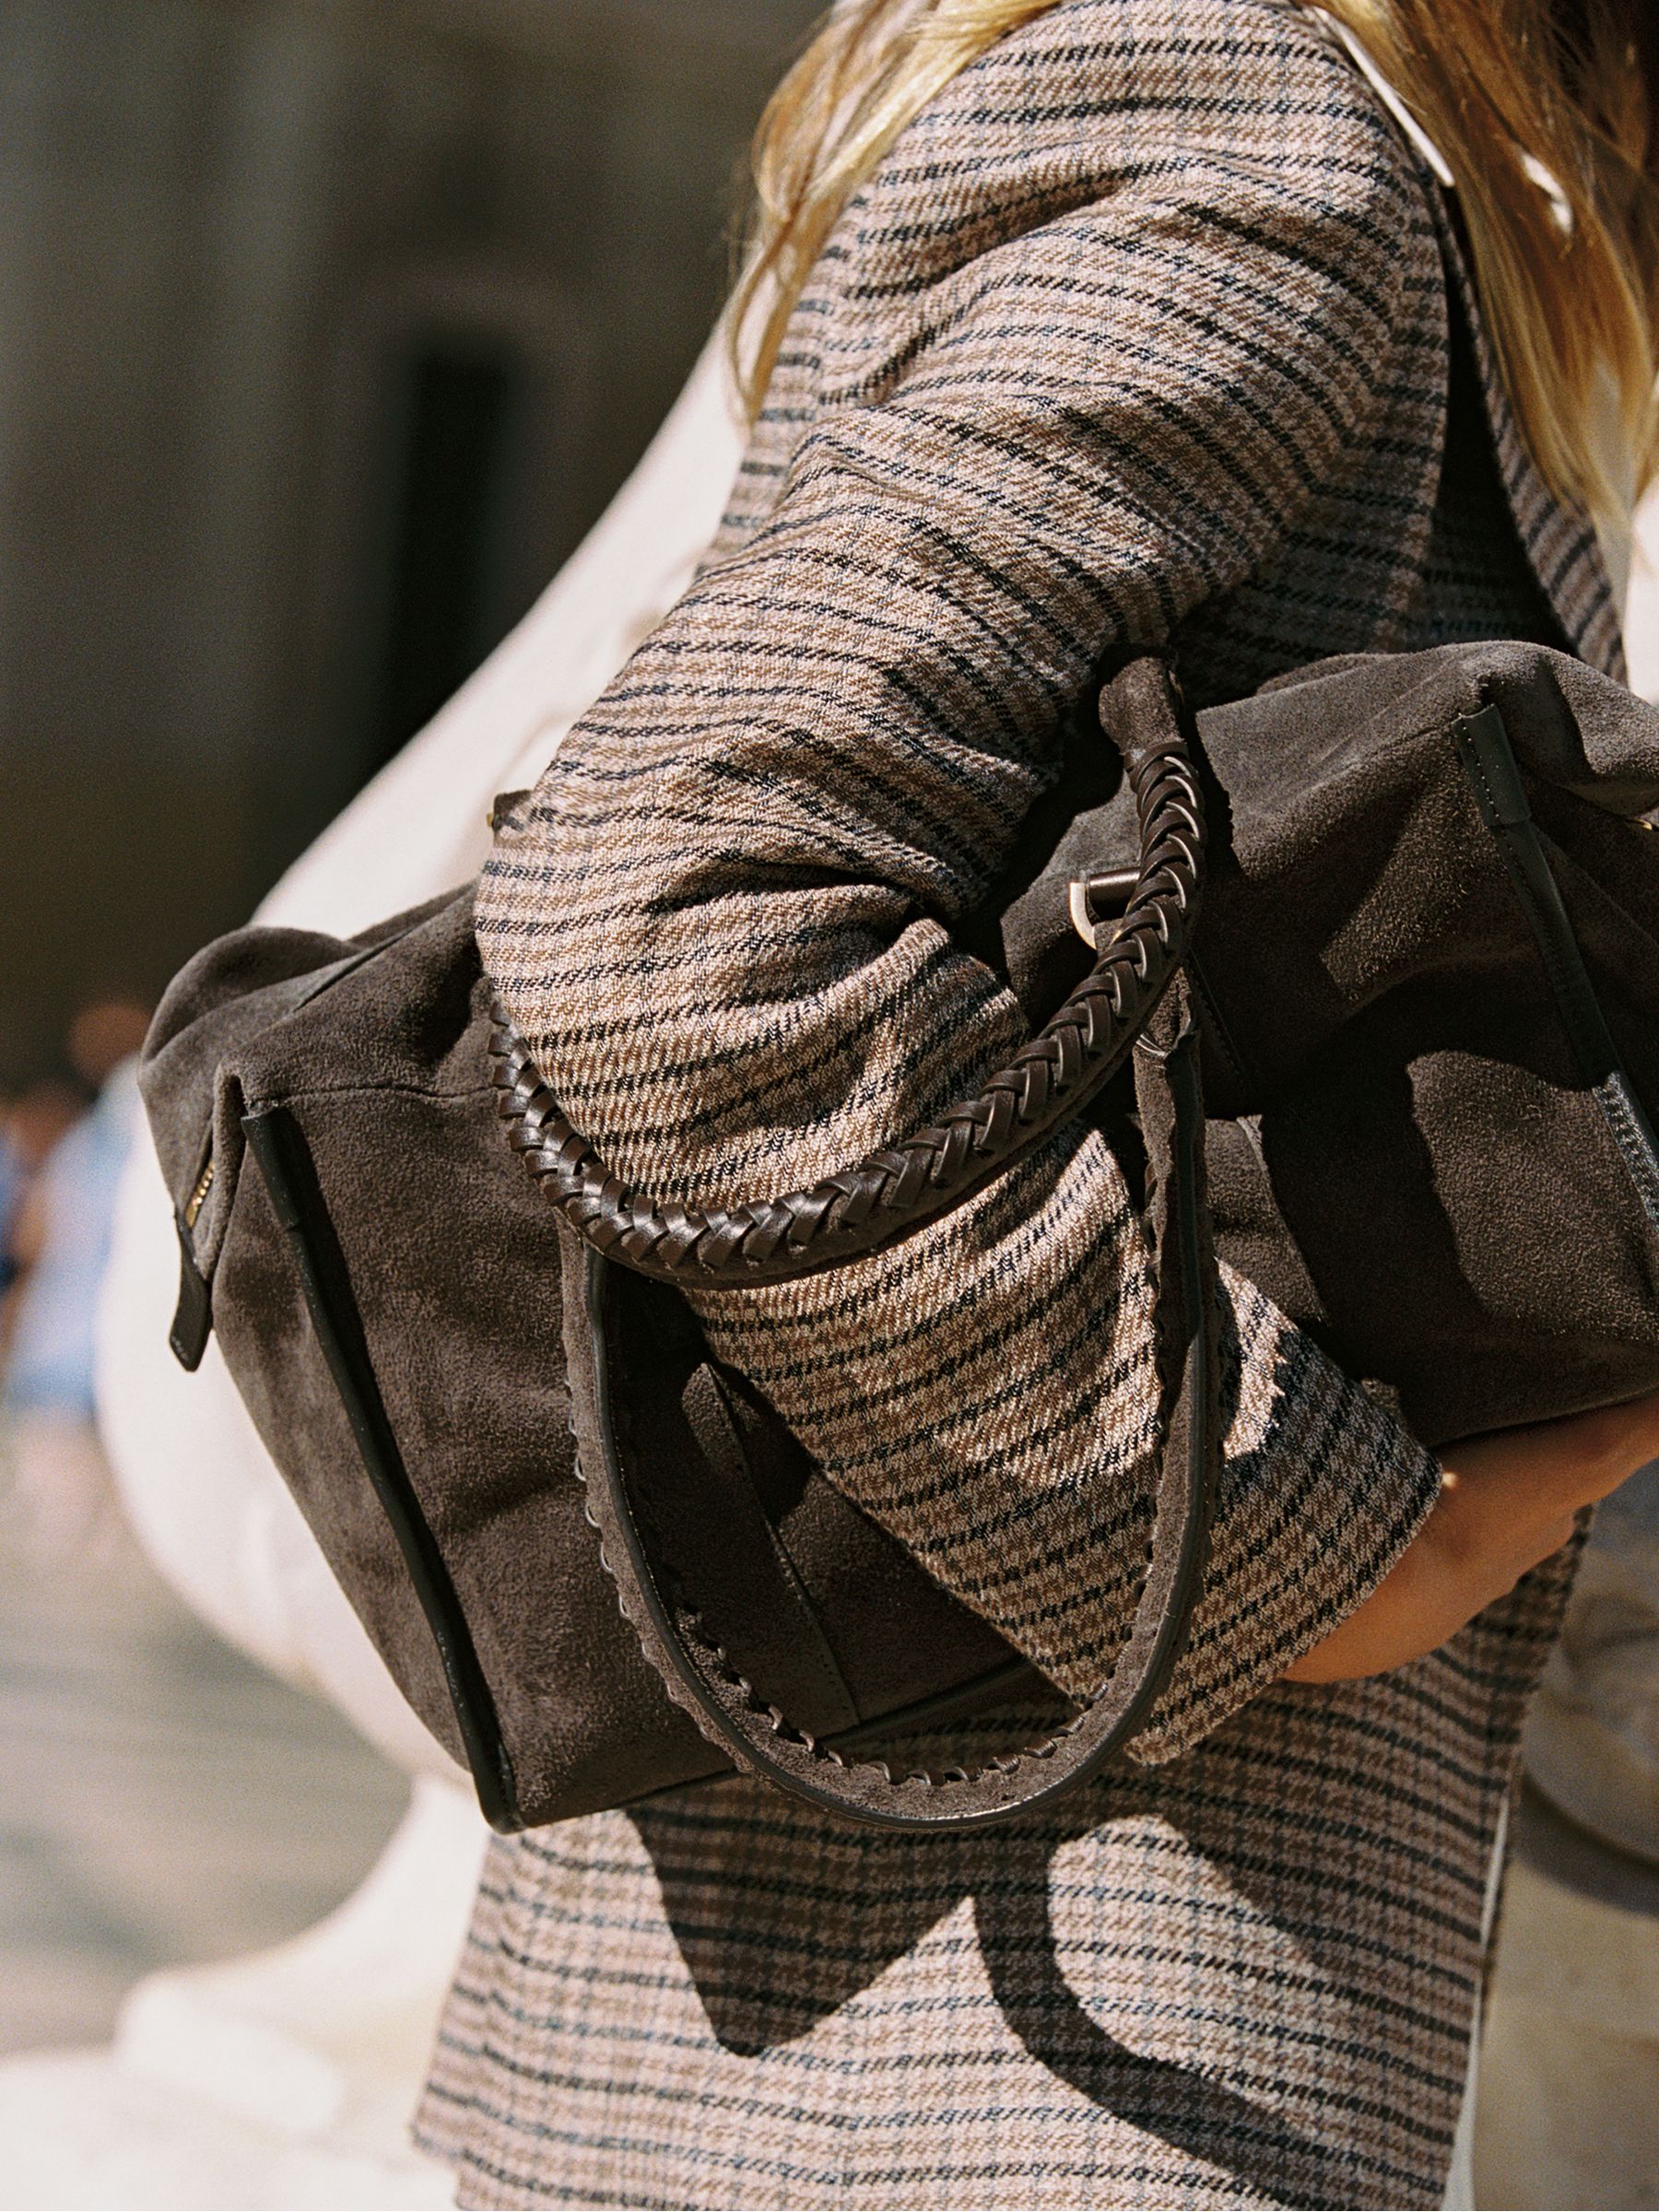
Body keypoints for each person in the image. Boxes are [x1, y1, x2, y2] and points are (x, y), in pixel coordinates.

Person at [413, 3, 1659, 2207]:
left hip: (956, 1995)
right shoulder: (1265, 143)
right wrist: (1295, 1541)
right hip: (998, 2045)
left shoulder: (1360, 176)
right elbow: (668, 917)